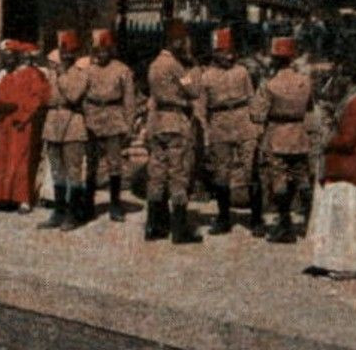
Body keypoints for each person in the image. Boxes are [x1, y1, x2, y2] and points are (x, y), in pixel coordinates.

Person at [307, 68, 356, 279]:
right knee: (339, 217)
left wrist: (326, 141)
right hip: (346, 165)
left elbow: (348, 139)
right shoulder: (355, 100)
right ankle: (332, 260)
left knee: (346, 218)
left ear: (350, 78)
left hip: (349, 166)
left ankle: (349, 264)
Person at [251, 35, 315, 243]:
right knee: (302, 178)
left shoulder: (270, 85)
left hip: (277, 135)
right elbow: (310, 108)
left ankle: (285, 224)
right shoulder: (305, 82)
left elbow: (256, 114)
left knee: (279, 180)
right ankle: (309, 221)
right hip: (299, 134)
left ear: (274, 59)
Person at [144, 23, 203, 244]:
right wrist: (193, 66)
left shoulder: (154, 65)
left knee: (157, 174)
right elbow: (194, 90)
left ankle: (153, 226)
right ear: (177, 42)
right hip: (175, 123)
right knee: (178, 173)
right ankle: (179, 230)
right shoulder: (176, 66)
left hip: (157, 123)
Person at [197, 26, 258, 235]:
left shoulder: (242, 72)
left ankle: (256, 219)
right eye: (223, 51)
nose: (228, 55)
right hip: (219, 124)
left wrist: (256, 126)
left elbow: (252, 99)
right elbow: (201, 109)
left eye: (230, 50)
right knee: (221, 173)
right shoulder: (206, 77)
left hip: (243, 122)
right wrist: (206, 136)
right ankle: (223, 218)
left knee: (251, 169)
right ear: (215, 52)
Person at [81, 29, 136, 222]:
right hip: (92, 118)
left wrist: (129, 124)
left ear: (111, 50)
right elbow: (82, 97)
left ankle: (115, 204)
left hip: (113, 117)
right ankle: (88, 204)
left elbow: (129, 99)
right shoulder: (87, 71)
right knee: (91, 164)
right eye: (98, 50)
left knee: (115, 164)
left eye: (105, 50)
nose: (102, 54)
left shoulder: (122, 70)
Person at [0, 41, 49, 212]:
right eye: (4, 57)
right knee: (2, 159)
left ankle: (23, 199)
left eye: (11, 56)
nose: (8, 60)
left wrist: (21, 114)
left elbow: (38, 99)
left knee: (22, 161)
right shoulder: (7, 76)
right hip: (6, 123)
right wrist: (2, 107)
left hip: (23, 123)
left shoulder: (33, 74)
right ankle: (3, 197)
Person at [40, 31, 90, 231]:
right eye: (63, 52)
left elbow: (73, 95)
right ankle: (58, 211)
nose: (66, 56)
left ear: (76, 54)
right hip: (52, 124)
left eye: (70, 52)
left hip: (72, 126)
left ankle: (73, 213)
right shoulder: (53, 74)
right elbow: (47, 99)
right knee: (56, 171)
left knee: (73, 171)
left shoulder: (80, 74)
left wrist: (61, 76)